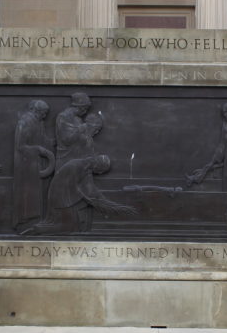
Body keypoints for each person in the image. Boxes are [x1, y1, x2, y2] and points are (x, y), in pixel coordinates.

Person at [187, 102, 227, 232]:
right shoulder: (225, 126)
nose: (225, 115)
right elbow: (221, 146)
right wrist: (212, 162)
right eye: (223, 112)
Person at [29, 155, 135, 235]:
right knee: (69, 227)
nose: (99, 174)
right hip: (60, 199)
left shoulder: (86, 168)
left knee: (74, 226)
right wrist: (86, 198)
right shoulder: (76, 165)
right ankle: (38, 230)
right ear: (97, 165)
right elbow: (71, 186)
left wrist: (109, 204)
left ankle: (41, 228)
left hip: (68, 199)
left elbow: (92, 190)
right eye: (100, 171)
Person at [13, 99, 55, 230]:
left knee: (35, 194)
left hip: (35, 164)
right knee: (26, 193)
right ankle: (22, 222)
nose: (44, 116)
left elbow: (44, 139)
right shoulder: (24, 122)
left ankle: (33, 220)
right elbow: (20, 146)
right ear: (36, 110)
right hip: (24, 164)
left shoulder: (39, 123)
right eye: (43, 113)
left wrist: (56, 142)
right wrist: (38, 149)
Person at [55, 91, 102, 170]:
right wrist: (83, 128)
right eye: (85, 108)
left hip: (78, 158)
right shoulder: (63, 117)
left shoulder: (78, 119)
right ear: (80, 107)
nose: (85, 112)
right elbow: (66, 139)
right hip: (66, 159)